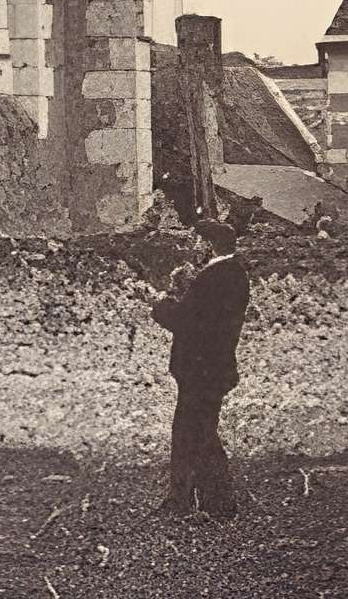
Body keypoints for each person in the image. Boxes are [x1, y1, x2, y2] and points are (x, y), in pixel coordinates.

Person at [146, 213, 248, 521]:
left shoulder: (212, 279)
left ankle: (205, 502)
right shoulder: (233, 275)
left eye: (197, 241)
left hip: (201, 372)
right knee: (197, 433)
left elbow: (186, 322)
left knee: (194, 434)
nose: (193, 247)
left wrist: (161, 306)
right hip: (212, 370)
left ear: (208, 245)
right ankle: (202, 501)